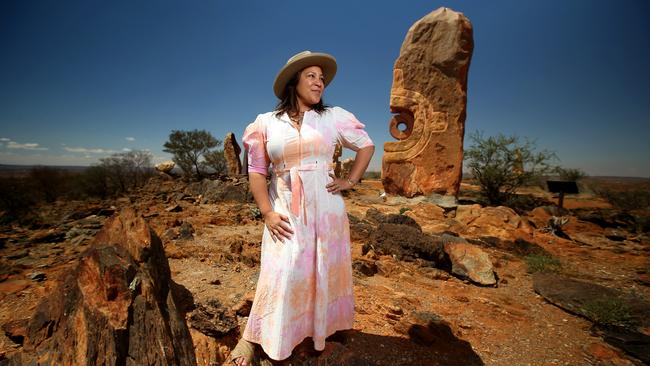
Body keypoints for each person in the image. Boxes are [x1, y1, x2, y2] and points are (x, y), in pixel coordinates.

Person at [230, 50, 375, 366]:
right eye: (311, 75)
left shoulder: (332, 117)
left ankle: (314, 332)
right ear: (293, 81)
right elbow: (256, 172)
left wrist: (350, 179)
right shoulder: (266, 123)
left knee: (321, 270)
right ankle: (253, 337)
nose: (319, 82)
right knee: (282, 270)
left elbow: (366, 145)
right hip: (285, 207)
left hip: (326, 210)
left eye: (321, 78)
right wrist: (267, 212)